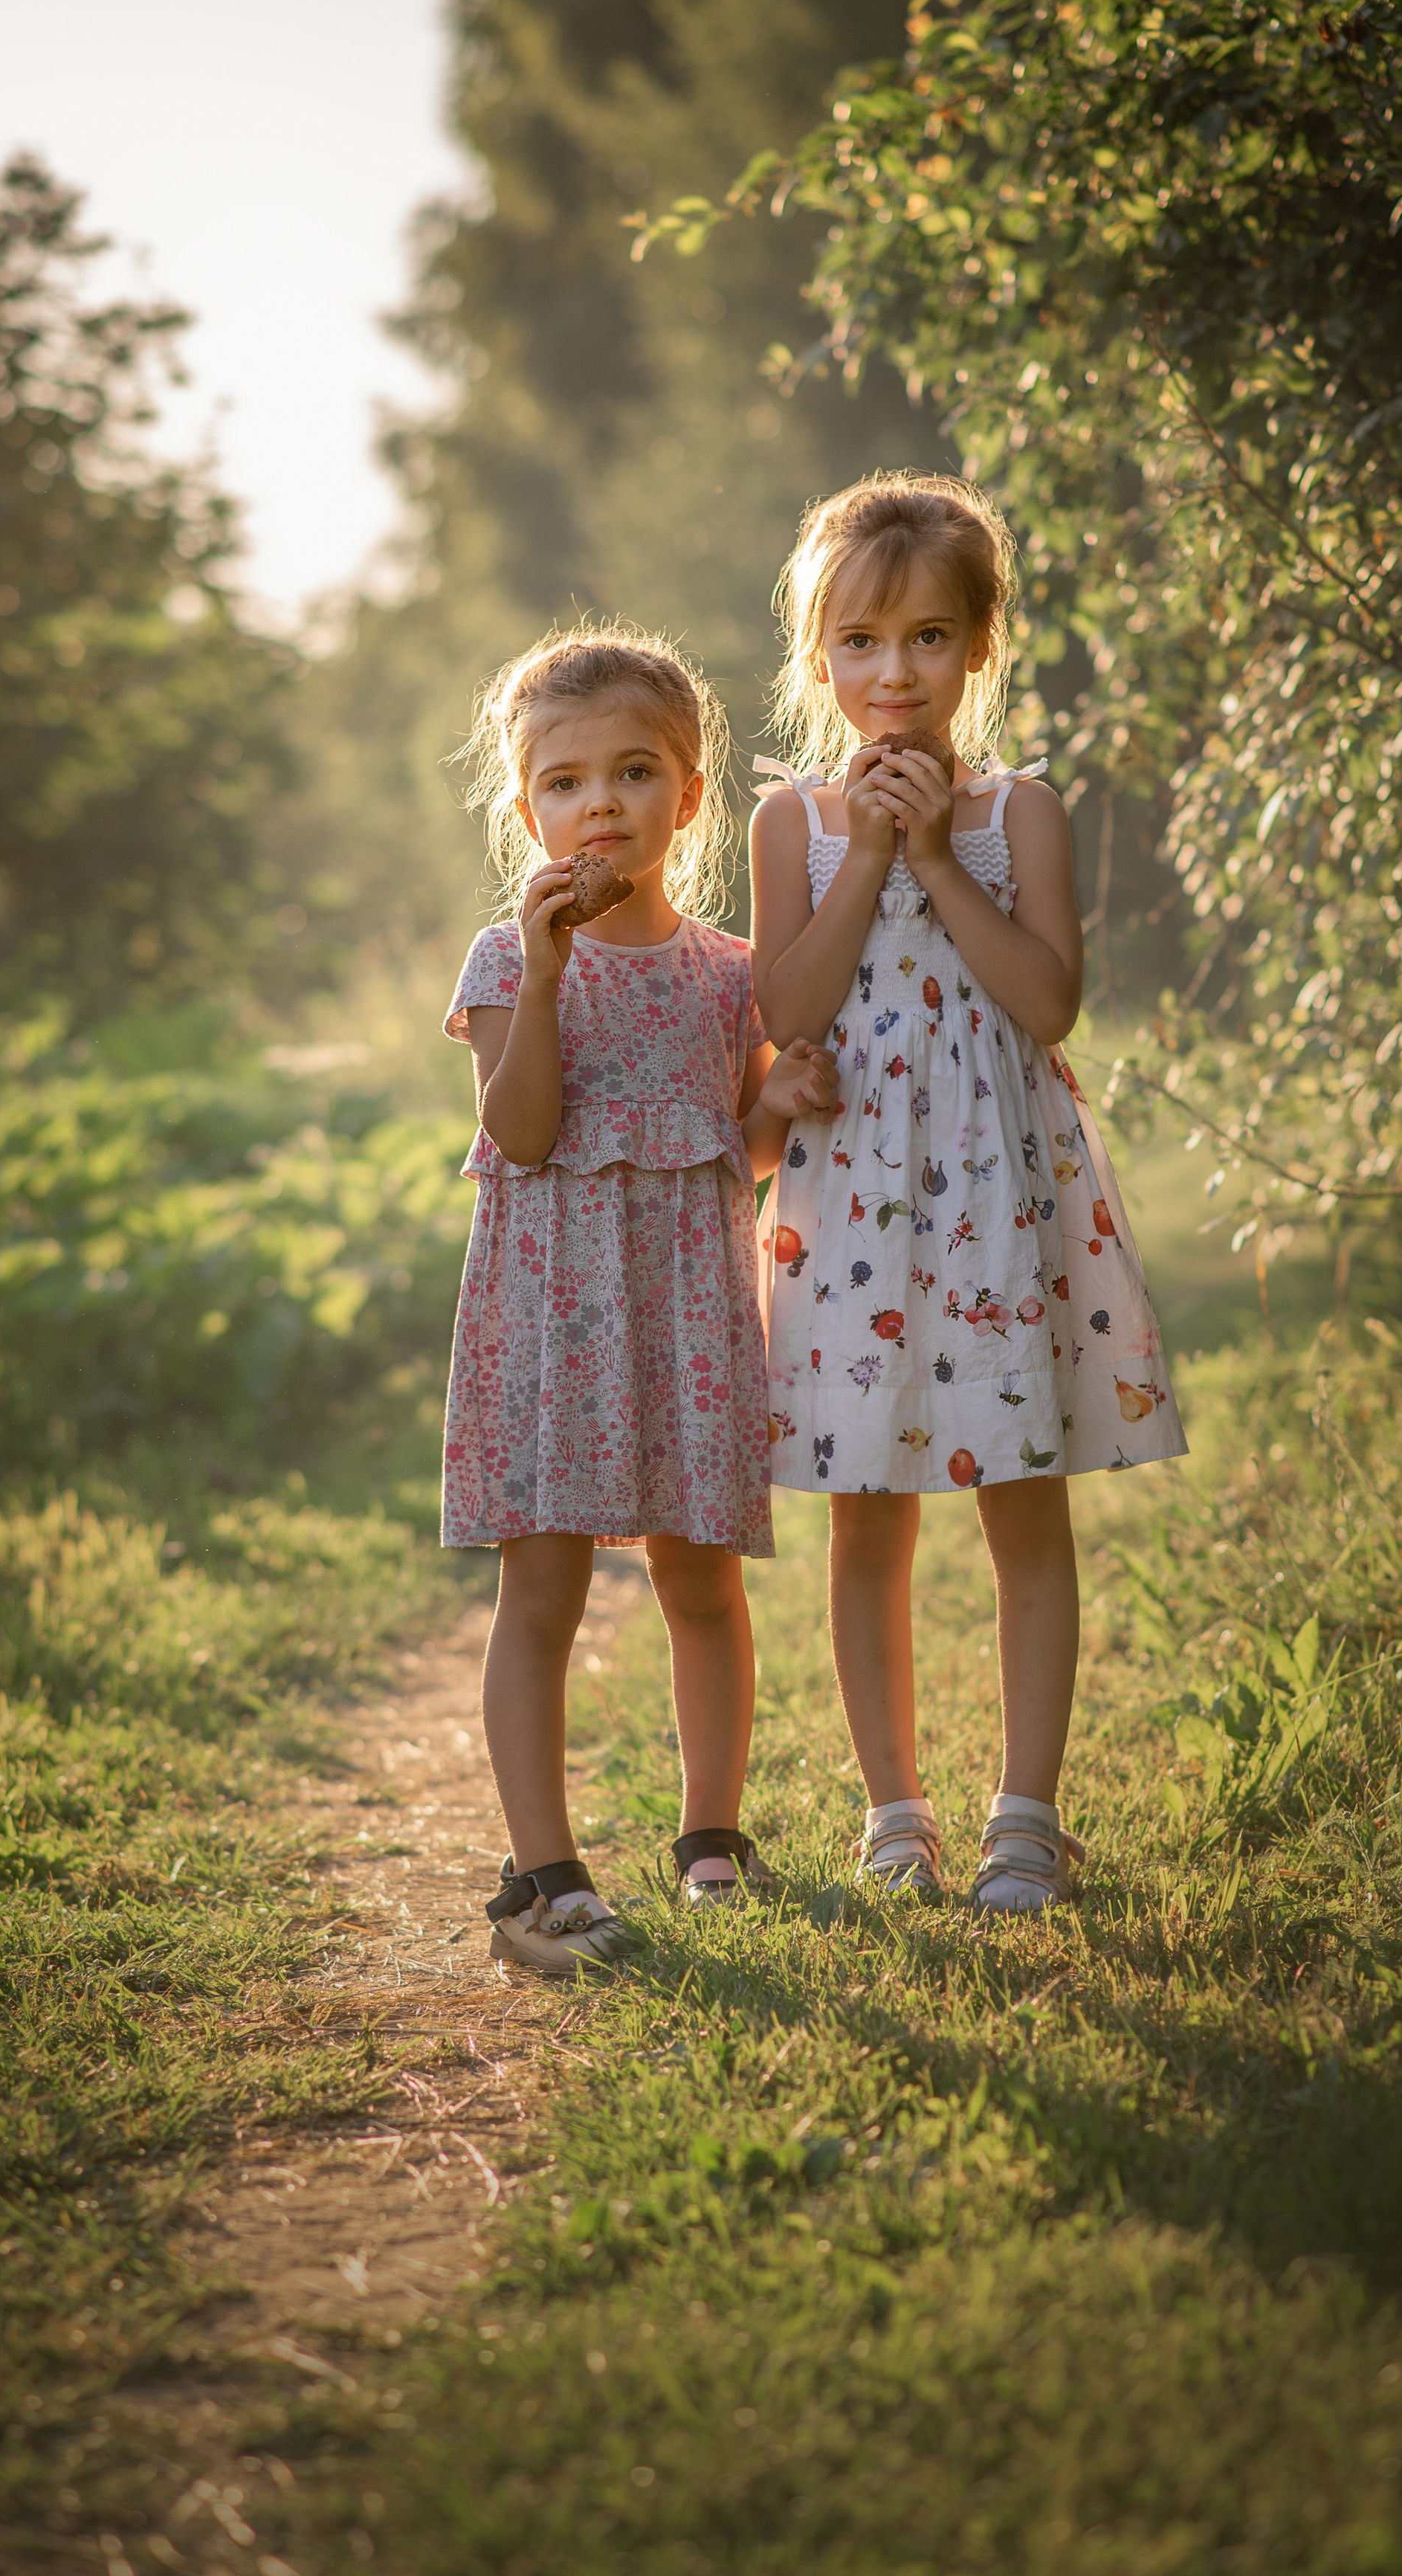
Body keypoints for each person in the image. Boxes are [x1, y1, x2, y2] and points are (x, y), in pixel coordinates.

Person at [750, 473, 1185, 1913]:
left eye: (929, 637)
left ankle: (1024, 1818)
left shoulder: (1018, 813)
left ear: (979, 647)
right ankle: (893, 1815)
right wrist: (871, 848)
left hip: (999, 1205)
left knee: (1021, 1500)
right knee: (865, 1514)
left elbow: (1046, 1005)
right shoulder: (793, 826)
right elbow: (787, 1010)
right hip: (853, 1215)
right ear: (819, 655)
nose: (895, 673)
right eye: (861, 642)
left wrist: (934, 852)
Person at [444, 626, 838, 1975]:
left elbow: (735, 1152)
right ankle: (544, 1878)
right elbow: (526, 1133)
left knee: (702, 1583)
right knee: (542, 1591)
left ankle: (711, 1843)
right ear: (528, 813)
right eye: (563, 782)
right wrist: (549, 971)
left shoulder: (731, 976)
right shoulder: (507, 961)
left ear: (689, 795)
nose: (599, 803)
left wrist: (782, 1101)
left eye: (632, 772)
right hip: (551, 1321)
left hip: (688, 1321)